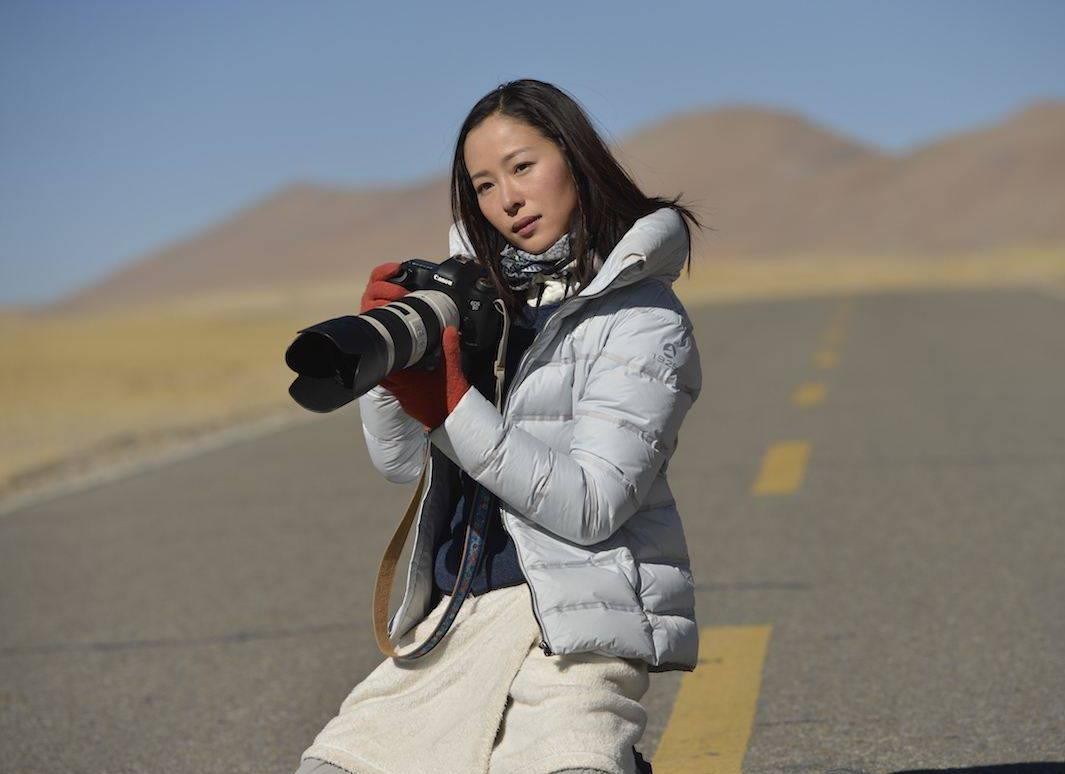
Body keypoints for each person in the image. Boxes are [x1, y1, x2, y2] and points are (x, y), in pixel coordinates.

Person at [295, 79, 705, 774]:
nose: (507, 200)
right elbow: (402, 465)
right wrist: (393, 375)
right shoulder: (478, 303)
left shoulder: (642, 318)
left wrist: (452, 408)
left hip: (572, 622)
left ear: (575, 158)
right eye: (484, 185)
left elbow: (593, 505)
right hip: (459, 612)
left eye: (522, 167)